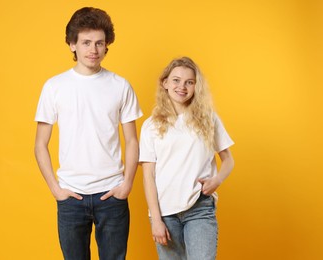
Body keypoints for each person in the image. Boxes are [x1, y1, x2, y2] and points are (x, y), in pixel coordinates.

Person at [34, 7, 142, 260]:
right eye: (85, 43)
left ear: (106, 46)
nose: (93, 49)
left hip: (111, 195)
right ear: (72, 44)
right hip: (71, 196)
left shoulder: (120, 85)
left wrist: (126, 184)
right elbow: (40, 144)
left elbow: (133, 140)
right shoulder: (54, 87)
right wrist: (56, 189)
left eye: (99, 43)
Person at [139, 57, 234, 260]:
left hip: (199, 207)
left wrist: (216, 180)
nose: (182, 86)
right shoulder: (150, 125)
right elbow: (148, 176)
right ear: (165, 83)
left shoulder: (208, 118)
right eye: (176, 80)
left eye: (189, 82)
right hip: (164, 212)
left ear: (195, 86)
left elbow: (228, 160)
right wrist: (156, 220)